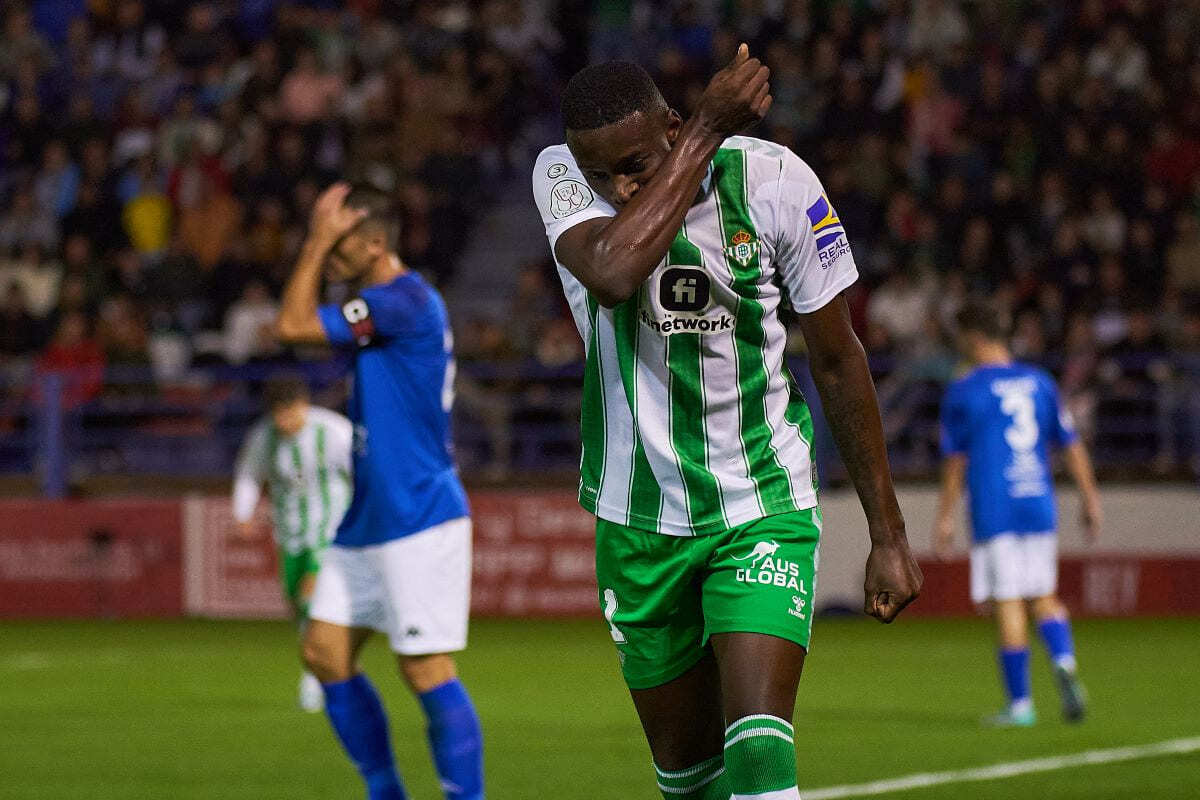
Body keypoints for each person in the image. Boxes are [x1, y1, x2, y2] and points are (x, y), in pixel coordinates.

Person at [531, 49, 922, 800]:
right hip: (636, 519)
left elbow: (838, 360)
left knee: (759, 751)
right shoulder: (556, 172)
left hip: (759, 502)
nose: (619, 187)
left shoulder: (775, 183)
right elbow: (613, 274)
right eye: (602, 175)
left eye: (637, 164)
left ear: (672, 128)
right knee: (689, 779)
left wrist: (888, 535)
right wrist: (705, 131)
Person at [274, 183, 483, 800]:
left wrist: (313, 241)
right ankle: (386, 792)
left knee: (423, 667)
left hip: (417, 510)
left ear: (374, 241)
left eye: (340, 245)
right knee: (325, 652)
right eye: (327, 245)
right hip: (368, 515)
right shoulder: (383, 307)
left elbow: (291, 326)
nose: (330, 257)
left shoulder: (404, 299)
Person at [934, 300, 1102, 727]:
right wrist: (1090, 498)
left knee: (1008, 601)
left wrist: (945, 515)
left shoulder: (966, 389)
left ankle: (1021, 705)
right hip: (1037, 500)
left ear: (973, 337)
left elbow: (955, 460)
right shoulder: (1039, 381)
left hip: (996, 503)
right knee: (1043, 594)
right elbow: (1071, 444)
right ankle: (1063, 661)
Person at [230, 374, 353, 712]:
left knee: (311, 595)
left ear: (304, 406)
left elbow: (362, 472)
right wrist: (243, 513)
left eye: (290, 413)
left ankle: (315, 680)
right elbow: (249, 474)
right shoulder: (264, 437)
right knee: (299, 605)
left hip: (331, 530)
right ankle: (328, 665)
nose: (285, 422)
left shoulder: (333, 432)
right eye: (278, 415)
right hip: (289, 532)